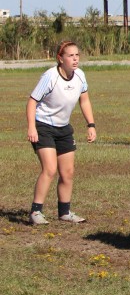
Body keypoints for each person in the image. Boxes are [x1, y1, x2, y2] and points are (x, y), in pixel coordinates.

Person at [26, 41, 97, 225]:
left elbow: (85, 101)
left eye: (77, 55)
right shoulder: (50, 77)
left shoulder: (80, 76)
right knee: (49, 169)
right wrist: (32, 127)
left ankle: (64, 212)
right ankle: (35, 212)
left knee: (68, 172)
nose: (75, 59)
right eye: (70, 55)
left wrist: (91, 124)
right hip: (43, 126)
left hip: (64, 128)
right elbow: (32, 101)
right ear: (60, 58)